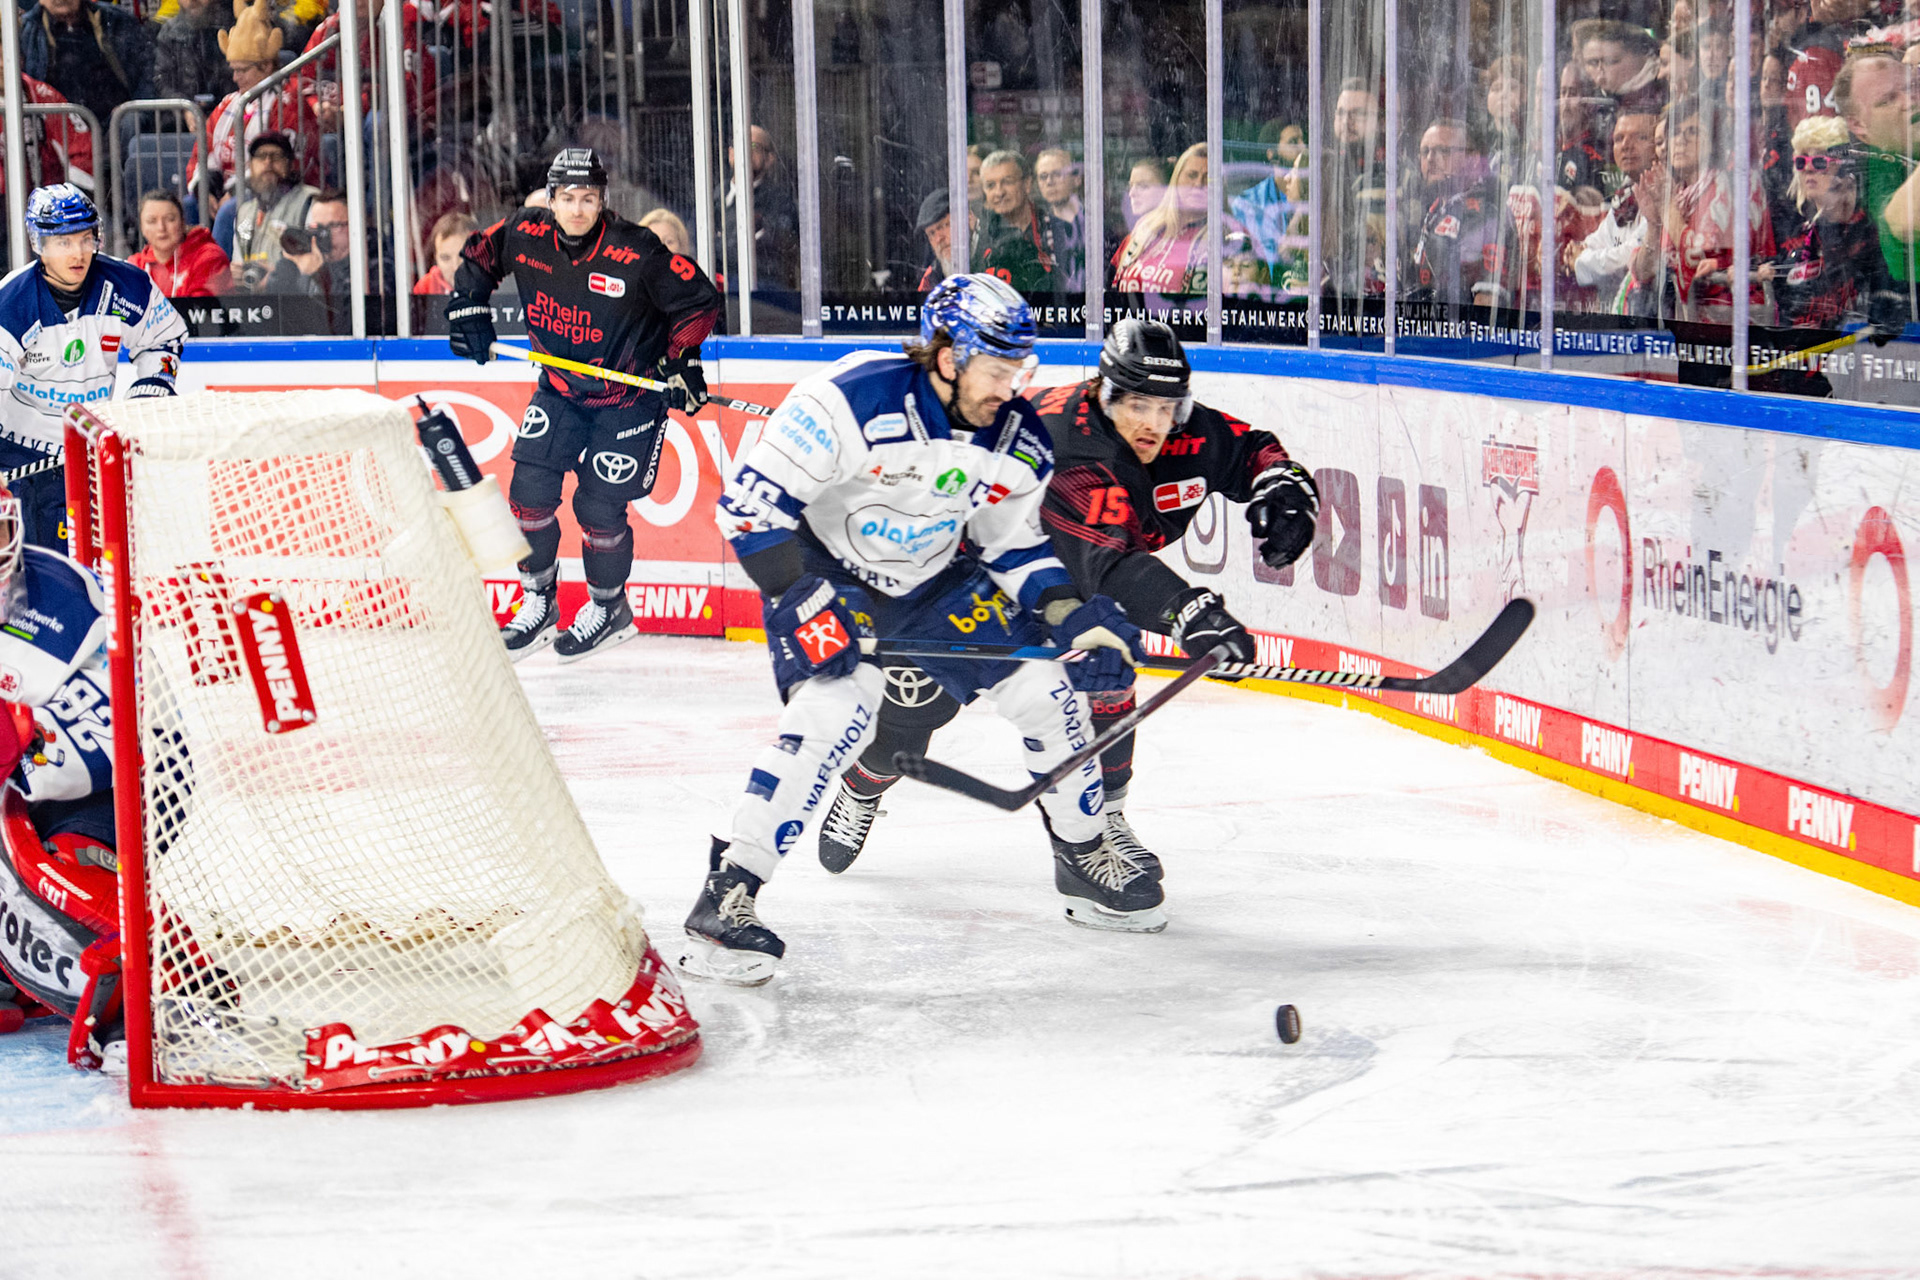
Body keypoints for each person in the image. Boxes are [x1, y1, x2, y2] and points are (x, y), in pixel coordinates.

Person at [677, 274, 1158, 987]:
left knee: (1047, 690)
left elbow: (1012, 544)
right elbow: (751, 513)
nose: (1012, 386)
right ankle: (728, 894)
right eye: (998, 369)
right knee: (834, 712)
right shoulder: (845, 398)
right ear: (948, 356)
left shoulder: (1016, 435)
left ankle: (1083, 855)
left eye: (1021, 369)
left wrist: (1073, 619)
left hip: (937, 581)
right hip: (828, 575)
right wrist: (801, 601)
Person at [812, 318, 1318, 886]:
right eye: (1138, 407)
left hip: (1075, 574)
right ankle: (862, 786)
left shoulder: (1184, 429)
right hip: (970, 576)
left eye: (1166, 408)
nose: (1154, 424)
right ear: (1105, 394)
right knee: (913, 718)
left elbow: (1250, 449)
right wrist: (1191, 613)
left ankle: (1103, 824)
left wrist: (1285, 485)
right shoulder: (1068, 443)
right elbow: (1110, 563)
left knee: (1106, 678)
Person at [446, 148, 723, 661]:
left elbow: (699, 301)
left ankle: (609, 607)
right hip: (560, 389)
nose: (577, 209)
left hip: (629, 398)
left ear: (603, 201)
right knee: (528, 494)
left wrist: (681, 359)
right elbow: (479, 259)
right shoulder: (525, 233)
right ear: (551, 199)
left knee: (597, 506)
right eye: (568, 198)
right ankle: (539, 601)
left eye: (588, 199)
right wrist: (468, 308)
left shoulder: (636, 249)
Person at [0, 489, 126, 1072]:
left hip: (85, 797)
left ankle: (139, 988)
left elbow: (122, 734)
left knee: (64, 872)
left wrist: (24, 746)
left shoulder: (70, 599)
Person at [0, 185, 184, 548]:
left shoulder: (126, 287)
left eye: (86, 238)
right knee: (24, 567)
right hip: (19, 459)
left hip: (87, 453)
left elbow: (164, 337)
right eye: (64, 242)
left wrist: (151, 388)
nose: (78, 252)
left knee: (92, 562)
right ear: (39, 244)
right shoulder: (12, 302)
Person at [1765, 114, 1904, 333]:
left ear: (1844, 170)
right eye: (1801, 161)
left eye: (1819, 162)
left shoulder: (1868, 233)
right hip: (1801, 344)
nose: (1808, 169)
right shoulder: (1800, 228)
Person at [196, 0, 321, 192]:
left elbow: (278, 168)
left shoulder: (288, 106)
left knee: (231, 207)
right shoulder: (227, 104)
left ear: (267, 66)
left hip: (273, 193)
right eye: (234, 70)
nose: (235, 77)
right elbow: (201, 152)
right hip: (228, 192)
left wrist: (234, 193)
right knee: (192, 202)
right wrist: (205, 189)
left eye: (243, 70)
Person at [1836, 49, 1920, 305]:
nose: (1910, 101)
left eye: (1912, 86)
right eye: (1887, 100)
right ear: (1859, 125)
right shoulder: (1871, 167)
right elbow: (1906, 221)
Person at [16, 0, 154, 136]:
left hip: (115, 129)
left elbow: (146, 74)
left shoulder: (116, 21)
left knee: (133, 119)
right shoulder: (26, 30)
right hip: (58, 133)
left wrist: (129, 110)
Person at [1407, 119, 1501, 308]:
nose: (1430, 159)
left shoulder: (1485, 213)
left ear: (1473, 159)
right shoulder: (1434, 209)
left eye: (1443, 151)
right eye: (1425, 151)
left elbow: (1485, 305)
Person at [1573, 111, 1661, 311]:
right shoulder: (1625, 193)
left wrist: (1580, 260)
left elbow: (1628, 257)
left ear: (1657, 145)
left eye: (1640, 137)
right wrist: (1582, 252)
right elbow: (1597, 241)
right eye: (1619, 138)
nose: (1626, 146)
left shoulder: (1662, 191)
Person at [1111, 143, 1210, 300]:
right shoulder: (1144, 228)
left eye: (1208, 178)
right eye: (1191, 175)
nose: (1199, 184)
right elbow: (1109, 289)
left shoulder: (1224, 237)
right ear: (1176, 180)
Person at [972, 149, 1074, 295]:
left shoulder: (1060, 231)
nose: (999, 192)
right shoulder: (977, 235)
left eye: (1007, 182)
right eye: (990, 185)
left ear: (1027, 184)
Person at [1229, 121, 1310, 294]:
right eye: (1293, 142)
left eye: (1303, 140)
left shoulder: (1313, 199)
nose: (1303, 147)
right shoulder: (1247, 204)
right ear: (1271, 153)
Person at [229, 132, 317, 292]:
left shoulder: (311, 202)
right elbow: (239, 260)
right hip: (254, 300)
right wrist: (236, 274)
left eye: (276, 156)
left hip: (296, 297)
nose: (268, 162)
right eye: (261, 156)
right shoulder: (244, 212)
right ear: (250, 165)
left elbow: (320, 264)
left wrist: (280, 275)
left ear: (290, 164)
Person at [721, 124, 800, 293]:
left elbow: (771, 249)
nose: (745, 151)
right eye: (739, 144)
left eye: (754, 146)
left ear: (769, 159)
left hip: (764, 294)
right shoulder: (711, 198)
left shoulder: (780, 203)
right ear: (730, 153)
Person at [264, 188, 352, 330]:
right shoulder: (305, 259)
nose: (323, 234)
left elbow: (341, 325)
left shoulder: (369, 263)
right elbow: (276, 319)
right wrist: (289, 268)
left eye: (333, 226)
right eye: (316, 227)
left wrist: (316, 276)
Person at [130, 188, 232, 298]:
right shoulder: (135, 266)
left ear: (182, 222)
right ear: (142, 227)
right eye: (151, 221)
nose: (161, 228)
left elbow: (201, 307)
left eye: (170, 219)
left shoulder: (209, 258)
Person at [153, 0, 238, 105]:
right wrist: (184, 107)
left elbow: (237, 76)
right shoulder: (169, 32)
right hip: (182, 112)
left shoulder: (232, 28)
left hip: (228, 109)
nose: (192, 1)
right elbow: (162, 81)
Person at [1033, 147, 1086, 292]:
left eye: (1057, 174)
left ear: (1076, 179)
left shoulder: (1094, 224)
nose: (1049, 182)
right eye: (1043, 176)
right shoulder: (1037, 229)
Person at [412, 210, 478, 295]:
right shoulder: (425, 287)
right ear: (436, 259)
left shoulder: (492, 284)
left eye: (464, 257)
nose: (455, 267)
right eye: (446, 258)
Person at [911, 187, 959, 292]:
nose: (938, 239)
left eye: (943, 226)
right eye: (931, 233)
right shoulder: (930, 278)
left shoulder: (990, 258)